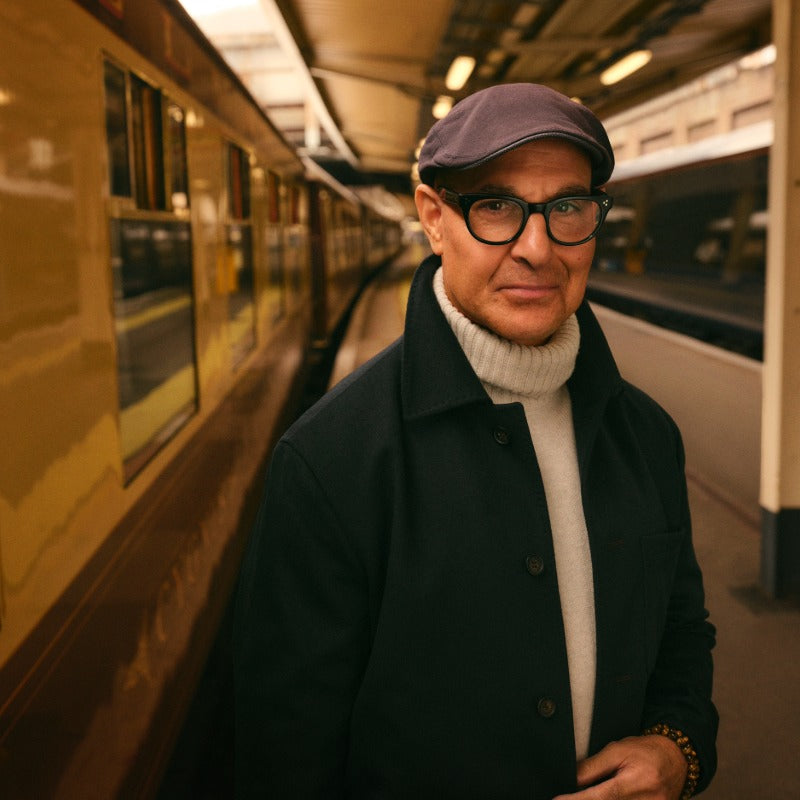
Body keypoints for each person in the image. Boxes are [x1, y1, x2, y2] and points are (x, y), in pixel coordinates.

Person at [234, 83, 717, 799]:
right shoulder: (331, 462)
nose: (537, 248)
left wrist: (680, 750)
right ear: (434, 219)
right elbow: (283, 752)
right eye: (496, 206)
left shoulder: (645, 435)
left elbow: (682, 636)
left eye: (567, 209)